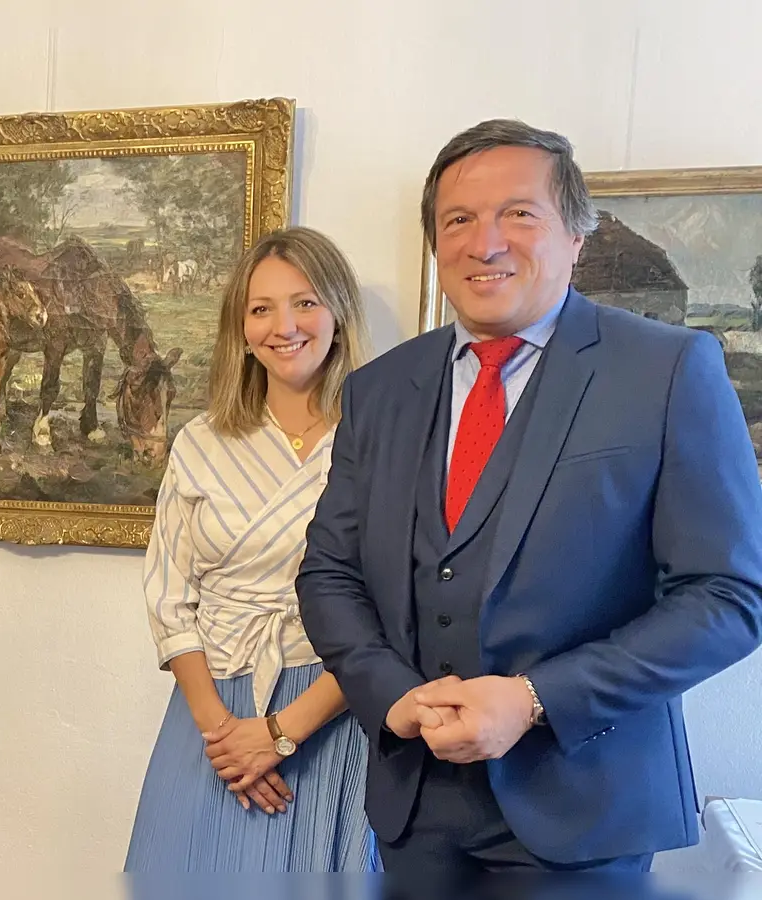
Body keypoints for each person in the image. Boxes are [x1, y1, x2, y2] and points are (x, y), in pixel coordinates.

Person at [297, 119, 762, 875]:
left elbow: (729, 596)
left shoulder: (668, 370)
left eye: (519, 213)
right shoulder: (379, 389)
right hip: (413, 815)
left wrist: (536, 698)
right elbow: (329, 573)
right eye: (459, 220)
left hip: (586, 814)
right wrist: (388, 694)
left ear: (576, 235)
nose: (486, 242)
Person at [124, 227, 378, 872]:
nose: (283, 326)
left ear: (340, 314)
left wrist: (280, 734)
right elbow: (169, 601)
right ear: (239, 327)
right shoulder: (202, 441)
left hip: (333, 709)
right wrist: (227, 737)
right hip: (212, 714)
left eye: (305, 302)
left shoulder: (384, 441)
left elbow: (397, 614)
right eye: (261, 308)